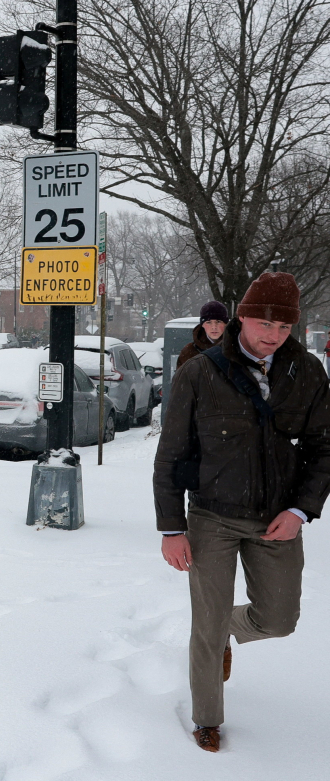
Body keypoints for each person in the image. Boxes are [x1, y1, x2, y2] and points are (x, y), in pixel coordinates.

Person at [154, 272, 330, 751]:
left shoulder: (307, 372)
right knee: (204, 624)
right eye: (263, 324)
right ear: (242, 317)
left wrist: (300, 509)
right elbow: (170, 454)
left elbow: (323, 447)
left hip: (277, 518)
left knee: (279, 619)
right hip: (211, 516)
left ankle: (231, 629)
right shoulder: (200, 371)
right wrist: (172, 528)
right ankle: (207, 718)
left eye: (283, 327)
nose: (272, 336)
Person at [177, 300, 229, 368]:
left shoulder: (237, 349)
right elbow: (181, 378)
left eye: (218, 322)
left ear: (226, 324)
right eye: (208, 322)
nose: (214, 327)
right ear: (202, 325)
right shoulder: (189, 352)